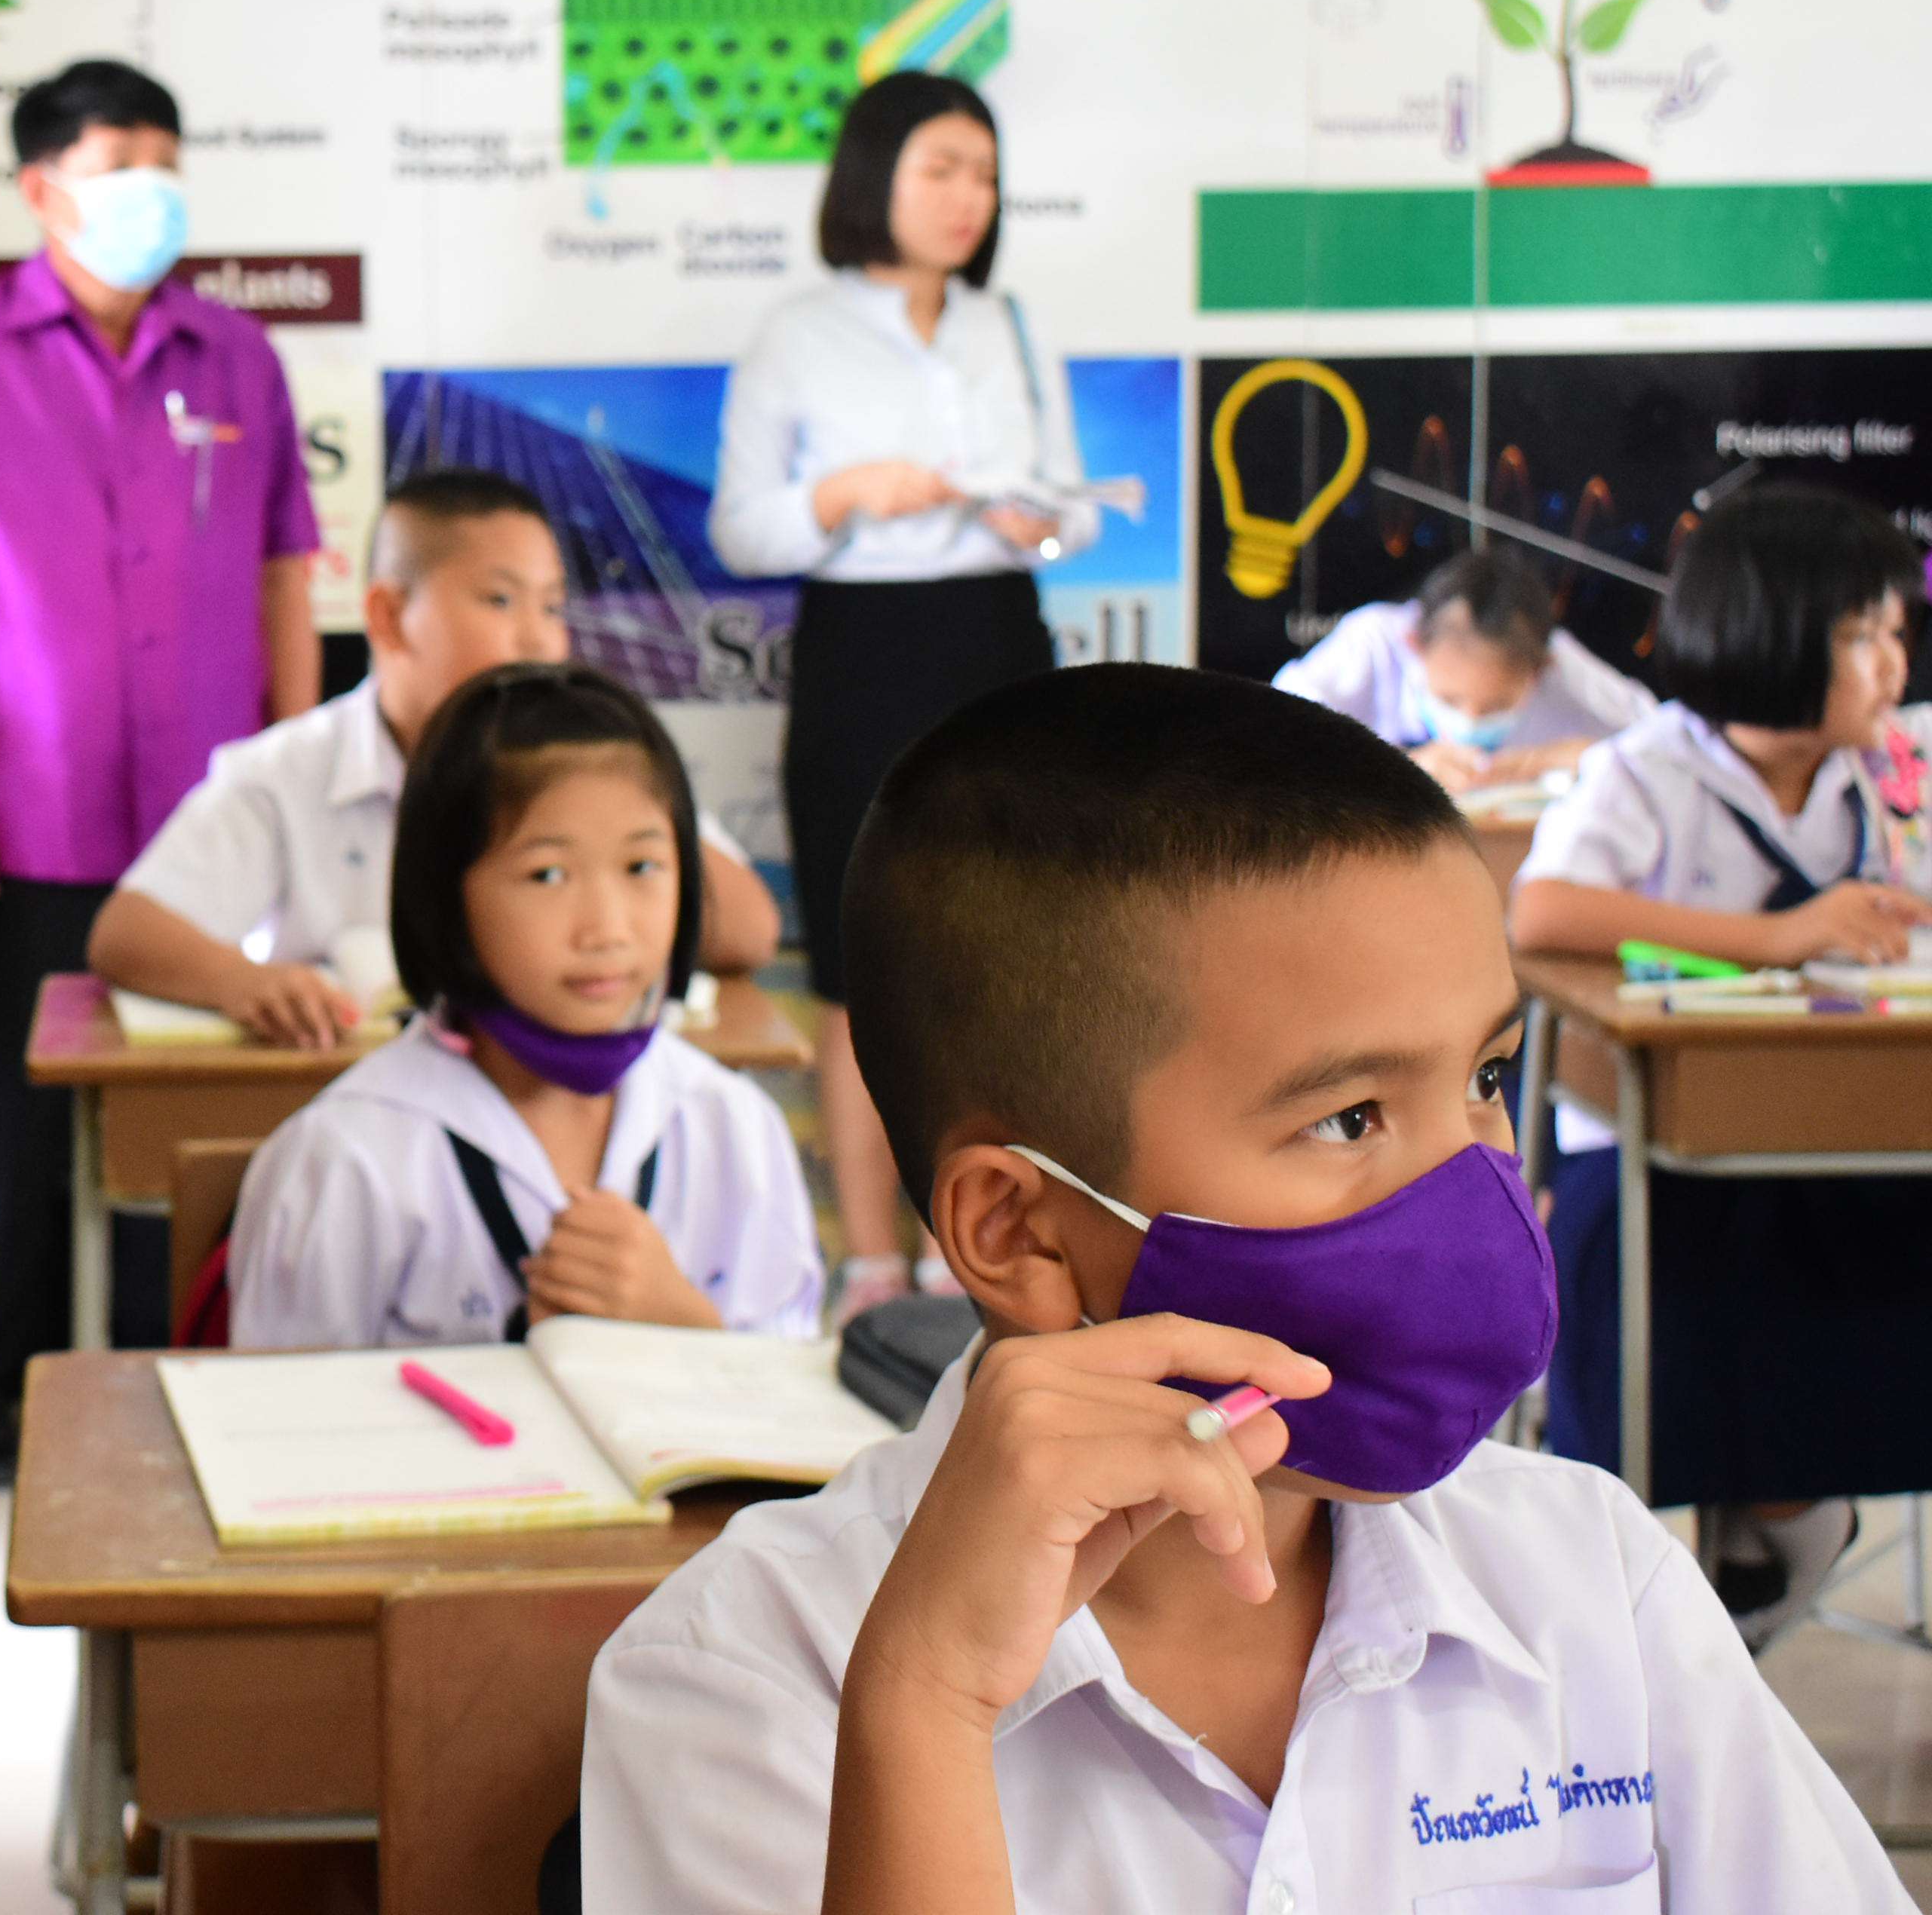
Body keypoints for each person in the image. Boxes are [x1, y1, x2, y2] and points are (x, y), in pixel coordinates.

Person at [581, 666, 1909, 1913]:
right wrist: (925, 1702)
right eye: (1347, 1118)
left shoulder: (1588, 1578)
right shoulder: (746, 1674)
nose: (1474, 1195)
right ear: (1022, 1231)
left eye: (1487, 1079)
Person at [0, 57, 323, 1485]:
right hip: (24, 809)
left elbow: (286, 576)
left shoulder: (235, 356)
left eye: (166, 162)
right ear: (40, 187)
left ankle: (161, 1368)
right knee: (4, 1108)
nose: (150, 191)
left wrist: (299, 787)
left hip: (206, 817)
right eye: (120, 164)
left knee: (185, 1107)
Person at [1509, 483, 1932, 1644]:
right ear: (1771, 634)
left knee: (1877, 1298)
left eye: (1897, 632)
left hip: (1853, 1143)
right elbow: (1542, 913)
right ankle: (1735, 1564)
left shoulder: (1889, 773)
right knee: (1669, 1320)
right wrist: (1778, 937)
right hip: (1663, 1158)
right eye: (1864, 636)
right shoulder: (1649, 772)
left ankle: (1777, 1540)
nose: (1893, 665)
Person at [708, 71, 1094, 1324]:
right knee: (860, 965)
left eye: (983, 173)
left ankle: (968, 1252)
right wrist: (843, 495)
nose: (966, 197)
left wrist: (1043, 521)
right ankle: (871, 1262)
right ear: (873, 178)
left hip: (997, 640)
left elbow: (1074, 507)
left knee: (1003, 964)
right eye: (940, 169)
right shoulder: (796, 335)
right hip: (862, 652)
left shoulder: (1012, 323)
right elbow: (742, 530)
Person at [226, 664, 820, 1349]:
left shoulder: (735, 1129)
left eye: (642, 867)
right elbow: (279, 1411)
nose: (607, 930)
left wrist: (684, 1323)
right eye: (548, 875)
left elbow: (792, 1396)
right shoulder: (347, 1157)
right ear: (445, 897)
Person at [88, 470, 780, 1046]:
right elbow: (128, 934)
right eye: (501, 600)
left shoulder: (595, 762)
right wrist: (248, 984)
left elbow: (750, 933)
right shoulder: (284, 772)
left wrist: (629, 803)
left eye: (552, 607)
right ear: (388, 617)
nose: (539, 642)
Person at [1274, 546, 1653, 789]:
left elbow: (1659, 743)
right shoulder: (1373, 642)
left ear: (1540, 672)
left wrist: (1540, 762)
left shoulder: (1559, 663)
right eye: (1449, 700)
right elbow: (1272, 734)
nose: (1468, 724)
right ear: (1414, 645)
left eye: (1496, 708)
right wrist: (1400, 768)